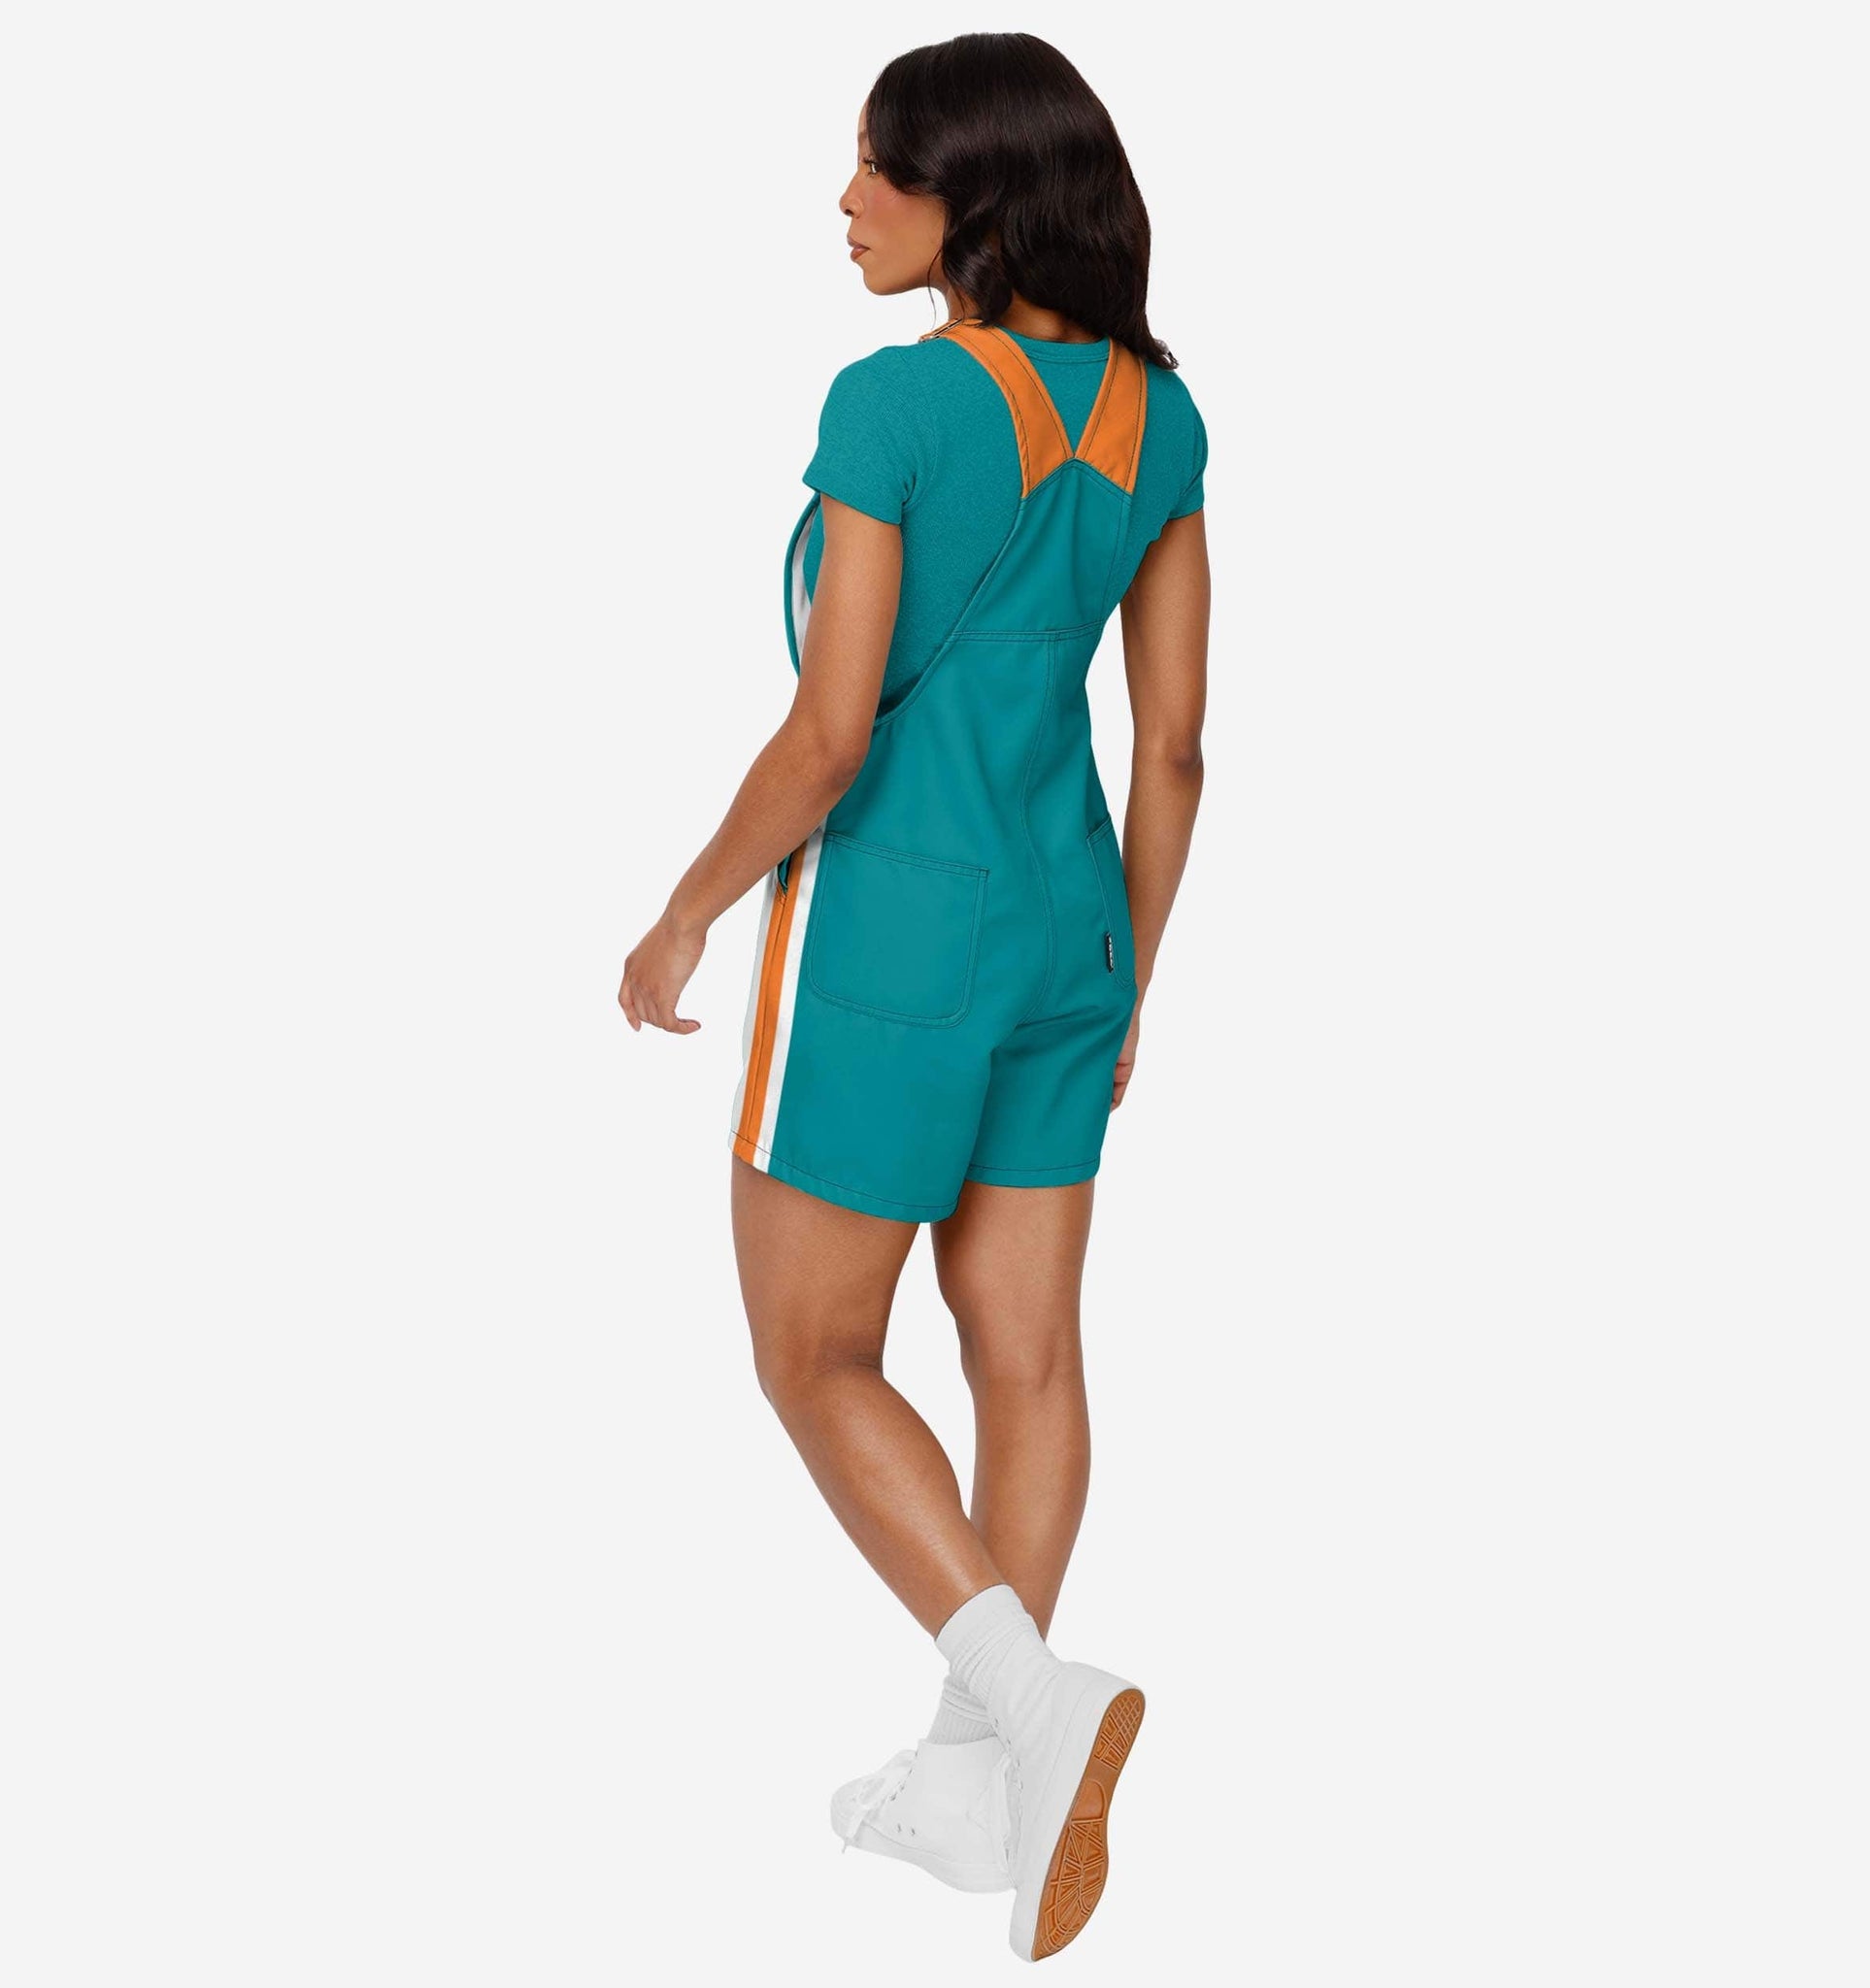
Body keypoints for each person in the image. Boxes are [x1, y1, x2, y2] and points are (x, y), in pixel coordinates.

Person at [618, 33, 1209, 1963]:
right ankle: (977, 1781)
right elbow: (1174, 750)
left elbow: (830, 732)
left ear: (975, 201)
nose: (847, 201)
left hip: (888, 939)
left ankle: (1033, 1705)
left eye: (878, 168)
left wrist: (684, 914)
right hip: (1070, 933)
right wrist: (1130, 971)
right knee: (1023, 1358)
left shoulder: (891, 405)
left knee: (812, 1356)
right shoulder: (1161, 422)